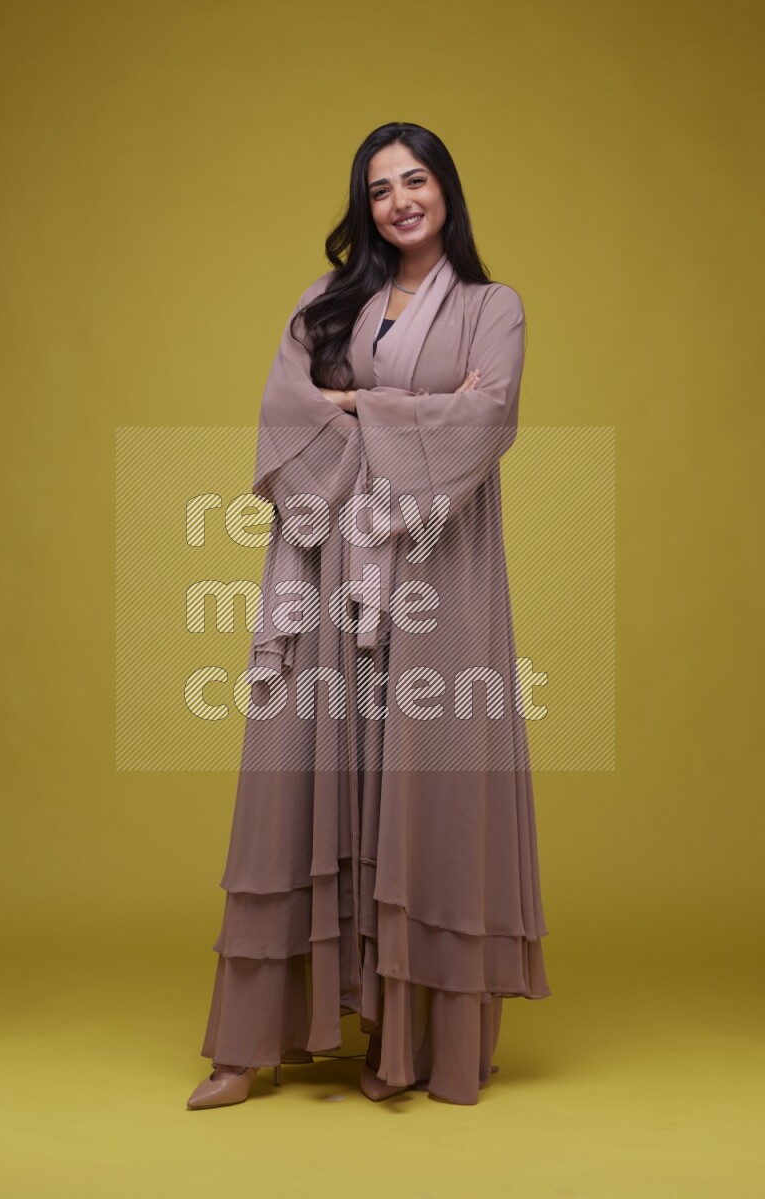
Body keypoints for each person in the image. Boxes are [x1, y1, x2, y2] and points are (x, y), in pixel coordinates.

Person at [186, 121, 551, 1110]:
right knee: (297, 772)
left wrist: (352, 406)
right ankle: (248, 1042)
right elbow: (281, 419)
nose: (399, 200)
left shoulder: (490, 307)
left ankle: (427, 1044)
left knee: (428, 778)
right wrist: (397, 412)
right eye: (380, 186)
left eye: (416, 180)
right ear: (365, 204)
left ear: (445, 192)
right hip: (324, 557)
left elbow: (487, 423)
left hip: (440, 574)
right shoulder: (324, 299)